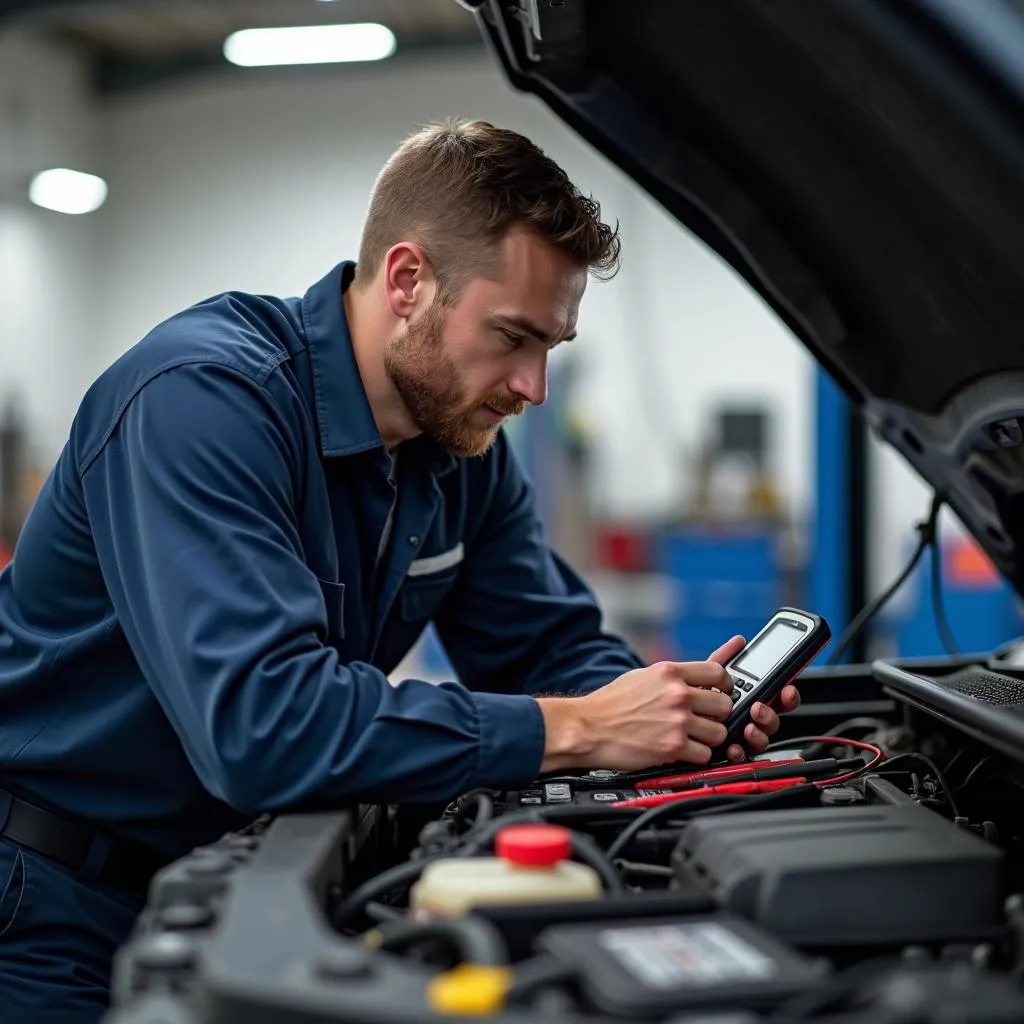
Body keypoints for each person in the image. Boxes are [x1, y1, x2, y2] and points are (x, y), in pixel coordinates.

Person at [0, 119, 801, 1021]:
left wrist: (669, 715)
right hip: (48, 902)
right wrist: (575, 729)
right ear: (409, 279)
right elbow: (264, 727)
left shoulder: (460, 448)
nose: (533, 386)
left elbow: (545, 643)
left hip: (232, 876)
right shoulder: (200, 402)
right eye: (512, 337)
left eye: (551, 350)